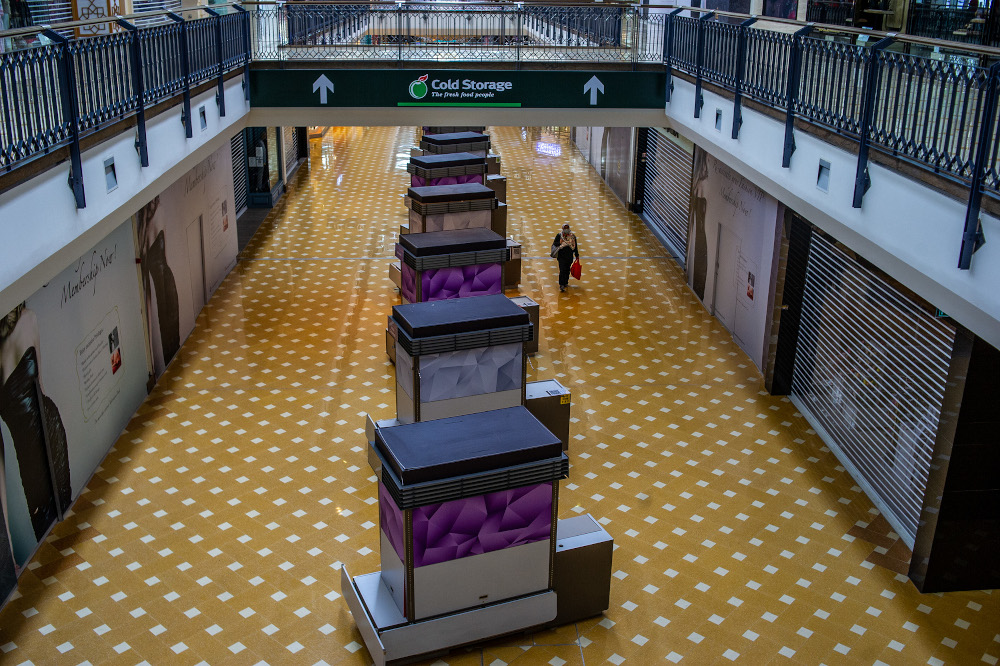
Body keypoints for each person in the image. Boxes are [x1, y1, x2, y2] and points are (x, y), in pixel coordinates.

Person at [0, 303, 72, 544]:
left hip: (50, 430)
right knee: (47, 532)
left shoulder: (29, 319)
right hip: (29, 464)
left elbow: (41, 387)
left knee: (66, 512)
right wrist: (7, 534)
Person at [137, 196, 180, 375]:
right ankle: (170, 364)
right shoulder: (144, 228)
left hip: (165, 278)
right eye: (151, 202)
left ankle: (174, 358)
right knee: (164, 323)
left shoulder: (160, 211)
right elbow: (142, 256)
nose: (153, 203)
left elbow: (163, 251)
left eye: (154, 200)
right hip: (156, 283)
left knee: (171, 319)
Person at [551, 223, 580, 292]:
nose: (566, 229)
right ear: (563, 229)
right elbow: (555, 244)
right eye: (565, 228)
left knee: (567, 269)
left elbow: (575, 245)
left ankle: (566, 282)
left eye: (567, 228)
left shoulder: (572, 236)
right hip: (561, 256)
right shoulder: (559, 235)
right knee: (562, 270)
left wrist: (576, 254)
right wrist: (560, 242)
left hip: (569, 256)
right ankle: (561, 284)